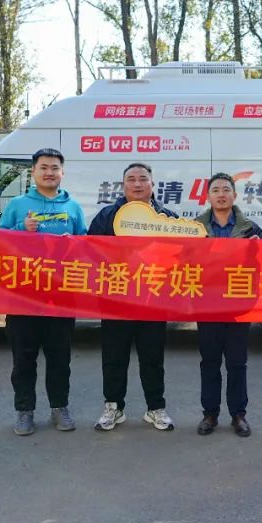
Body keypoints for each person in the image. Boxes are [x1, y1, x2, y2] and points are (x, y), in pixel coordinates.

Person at [0, 148, 87, 436]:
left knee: (60, 358)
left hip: (61, 296)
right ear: (34, 171)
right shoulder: (18, 205)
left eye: (55, 168)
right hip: (23, 295)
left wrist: (74, 242)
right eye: (44, 167)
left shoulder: (73, 207)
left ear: (63, 172)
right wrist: (20, 228)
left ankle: (60, 407)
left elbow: (87, 244)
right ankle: (24, 411)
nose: (49, 172)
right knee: (23, 358)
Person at [87, 163, 178, 431]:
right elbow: (90, 251)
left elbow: (187, 255)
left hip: (153, 300)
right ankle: (113, 408)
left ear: (152, 184)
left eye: (143, 179)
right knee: (114, 358)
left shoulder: (167, 218)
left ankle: (156, 408)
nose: (137, 184)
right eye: (131, 179)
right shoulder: (107, 216)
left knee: (153, 358)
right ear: (123, 185)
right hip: (116, 300)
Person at [192, 173, 262, 437]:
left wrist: (258, 250)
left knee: (237, 363)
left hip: (238, 305)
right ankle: (210, 414)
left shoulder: (251, 229)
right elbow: (182, 262)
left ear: (234, 195)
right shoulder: (194, 229)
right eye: (216, 190)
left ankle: (238, 415)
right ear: (208, 196)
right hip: (207, 305)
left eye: (226, 189)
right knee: (209, 362)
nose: (221, 194)